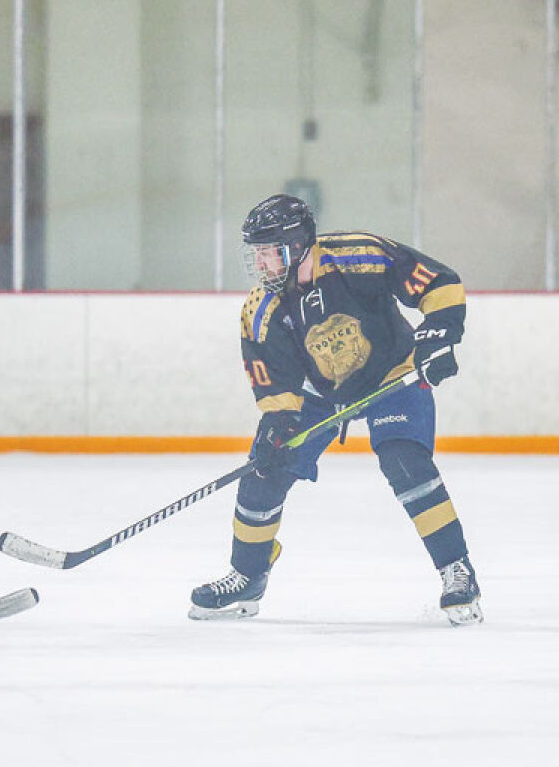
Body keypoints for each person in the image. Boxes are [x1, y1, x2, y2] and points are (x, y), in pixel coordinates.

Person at [189, 194, 483, 627]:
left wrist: (438, 334)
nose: (263, 265)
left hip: (392, 374)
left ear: (297, 245)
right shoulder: (261, 310)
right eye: (258, 256)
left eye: (270, 254)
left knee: (405, 462)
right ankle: (247, 576)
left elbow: (439, 282)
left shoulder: (358, 255)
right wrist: (277, 426)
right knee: (263, 475)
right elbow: (276, 385)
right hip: (320, 392)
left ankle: (457, 570)